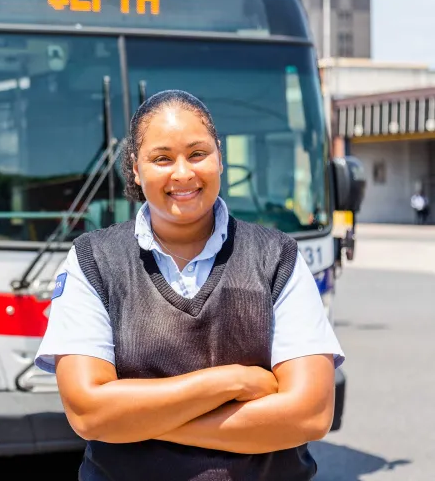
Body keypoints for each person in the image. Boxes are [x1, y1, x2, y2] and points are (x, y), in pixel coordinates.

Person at [35, 90, 344, 480]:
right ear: (135, 168)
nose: (182, 173)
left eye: (197, 154)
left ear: (220, 156)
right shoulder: (92, 260)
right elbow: (88, 411)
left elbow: (310, 413)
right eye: (162, 158)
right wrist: (232, 380)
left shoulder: (277, 257)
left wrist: (134, 422)